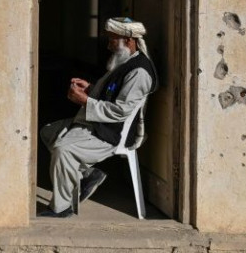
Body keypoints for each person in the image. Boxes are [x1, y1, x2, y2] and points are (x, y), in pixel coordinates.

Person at [39, 17, 158, 217]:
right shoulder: (124, 61)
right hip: (94, 123)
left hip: (110, 134)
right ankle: (87, 175)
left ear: (128, 40)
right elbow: (111, 93)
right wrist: (90, 89)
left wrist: (85, 101)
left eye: (113, 39)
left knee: (62, 149)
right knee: (48, 131)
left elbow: (120, 111)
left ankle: (61, 207)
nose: (109, 44)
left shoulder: (138, 72)